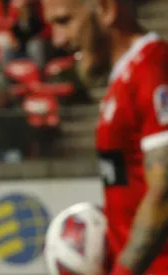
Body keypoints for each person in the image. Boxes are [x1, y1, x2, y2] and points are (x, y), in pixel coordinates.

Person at [43, 0, 168, 274]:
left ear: (106, 9)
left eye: (65, 21)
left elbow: (164, 190)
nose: (58, 39)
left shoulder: (153, 69)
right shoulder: (126, 78)